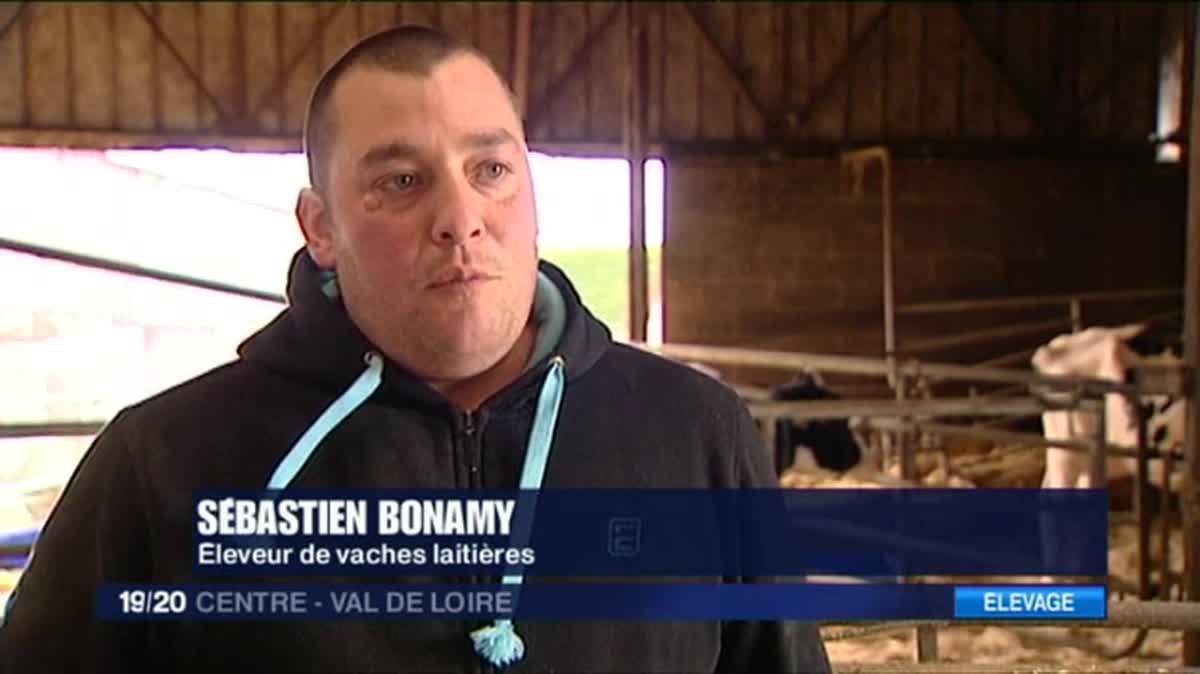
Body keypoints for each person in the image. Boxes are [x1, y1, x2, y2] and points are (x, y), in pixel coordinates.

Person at [0, 26, 831, 673]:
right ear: (321, 228)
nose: (460, 217)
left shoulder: (697, 438)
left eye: (491, 169)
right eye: (402, 181)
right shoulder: (163, 467)